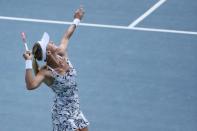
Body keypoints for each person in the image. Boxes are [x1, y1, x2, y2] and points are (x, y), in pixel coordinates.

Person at [23, 7, 89, 131]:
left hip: (76, 110)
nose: (52, 41)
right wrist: (28, 62)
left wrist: (76, 19)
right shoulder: (46, 72)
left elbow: (67, 36)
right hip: (62, 114)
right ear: (48, 52)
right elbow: (30, 85)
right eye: (49, 42)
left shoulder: (61, 53)